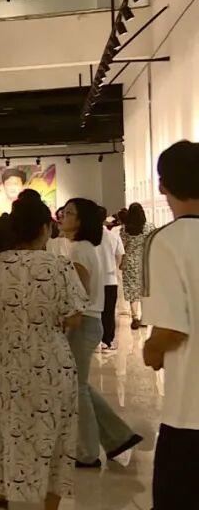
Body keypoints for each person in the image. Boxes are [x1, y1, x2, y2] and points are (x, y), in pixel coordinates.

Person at [0, 198, 85, 510]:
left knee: (6, 425)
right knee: (55, 430)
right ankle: (50, 504)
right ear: (45, 228)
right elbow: (75, 316)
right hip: (52, 358)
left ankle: (2, 497)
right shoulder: (60, 265)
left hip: (9, 356)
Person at [59, 198, 142, 468]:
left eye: (69, 213)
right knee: (80, 385)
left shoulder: (79, 250)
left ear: (81, 220)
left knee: (78, 388)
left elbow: (79, 293)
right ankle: (119, 437)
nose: (63, 217)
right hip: (90, 322)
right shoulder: (84, 247)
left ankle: (88, 452)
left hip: (83, 323)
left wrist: (65, 317)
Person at [141, 140, 199, 510]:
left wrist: (151, 350)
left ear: (163, 185)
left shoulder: (166, 241)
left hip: (190, 412)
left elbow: (172, 329)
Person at [120, 203, 155, 329]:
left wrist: (121, 262)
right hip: (144, 261)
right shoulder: (149, 227)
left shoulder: (125, 229)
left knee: (132, 291)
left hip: (130, 262)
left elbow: (122, 246)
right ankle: (145, 318)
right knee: (144, 290)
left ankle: (135, 318)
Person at [96, 206, 126, 351]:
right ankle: (108, 340)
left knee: (96, 311)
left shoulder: (88, 237)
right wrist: (114, 267)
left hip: (94, 280)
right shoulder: (113, 236)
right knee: (109, 311)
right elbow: (119, 255)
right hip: (110, 279)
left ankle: (97, 340)